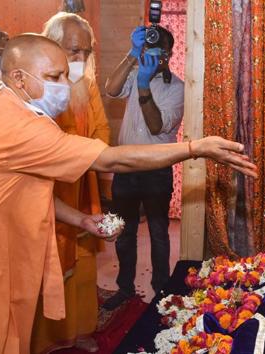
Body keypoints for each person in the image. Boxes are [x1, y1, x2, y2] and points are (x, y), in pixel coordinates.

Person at [0, 34, 256, 354]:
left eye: (66, 74)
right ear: (19, 79)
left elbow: (22, 190)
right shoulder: (15, 125)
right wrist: (195, 148)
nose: (66, 85)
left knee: (5, 336)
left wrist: (80, 218)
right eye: (54, 75)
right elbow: (111, 158)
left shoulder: (13, 108)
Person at [31, 12, 110, 353]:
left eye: (85, 53)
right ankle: (48, 339)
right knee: (48, 266)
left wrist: (87, 156)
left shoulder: (87, 85)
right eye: (73, 51)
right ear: (52, 48)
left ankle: (79, 330)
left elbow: (102, 132)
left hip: (82, 185)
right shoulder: (38, 87)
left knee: (84, 264)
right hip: (47, 190)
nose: (79, 60)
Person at [102, 25, 183, 310]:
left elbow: (156, 125)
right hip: (125, 165)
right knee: (125, 231)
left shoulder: (177, 88)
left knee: (159, 232)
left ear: (168, 54)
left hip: (157, 170)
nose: (152, 55)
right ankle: (124, 288)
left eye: (158, 50)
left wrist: (145, 86)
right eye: (147, 48)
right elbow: (110, 90)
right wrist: (131, 55)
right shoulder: (135, 71)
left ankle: (160, 290)